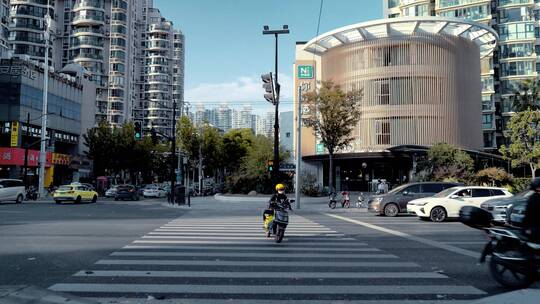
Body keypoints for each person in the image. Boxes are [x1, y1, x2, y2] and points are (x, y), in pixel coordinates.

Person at [522, 178, 540, 242]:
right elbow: (528, 214)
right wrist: (526, 228)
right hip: (534, 228)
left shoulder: (533, 198)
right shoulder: (532, 198)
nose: (538, 190)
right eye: (537, 189)